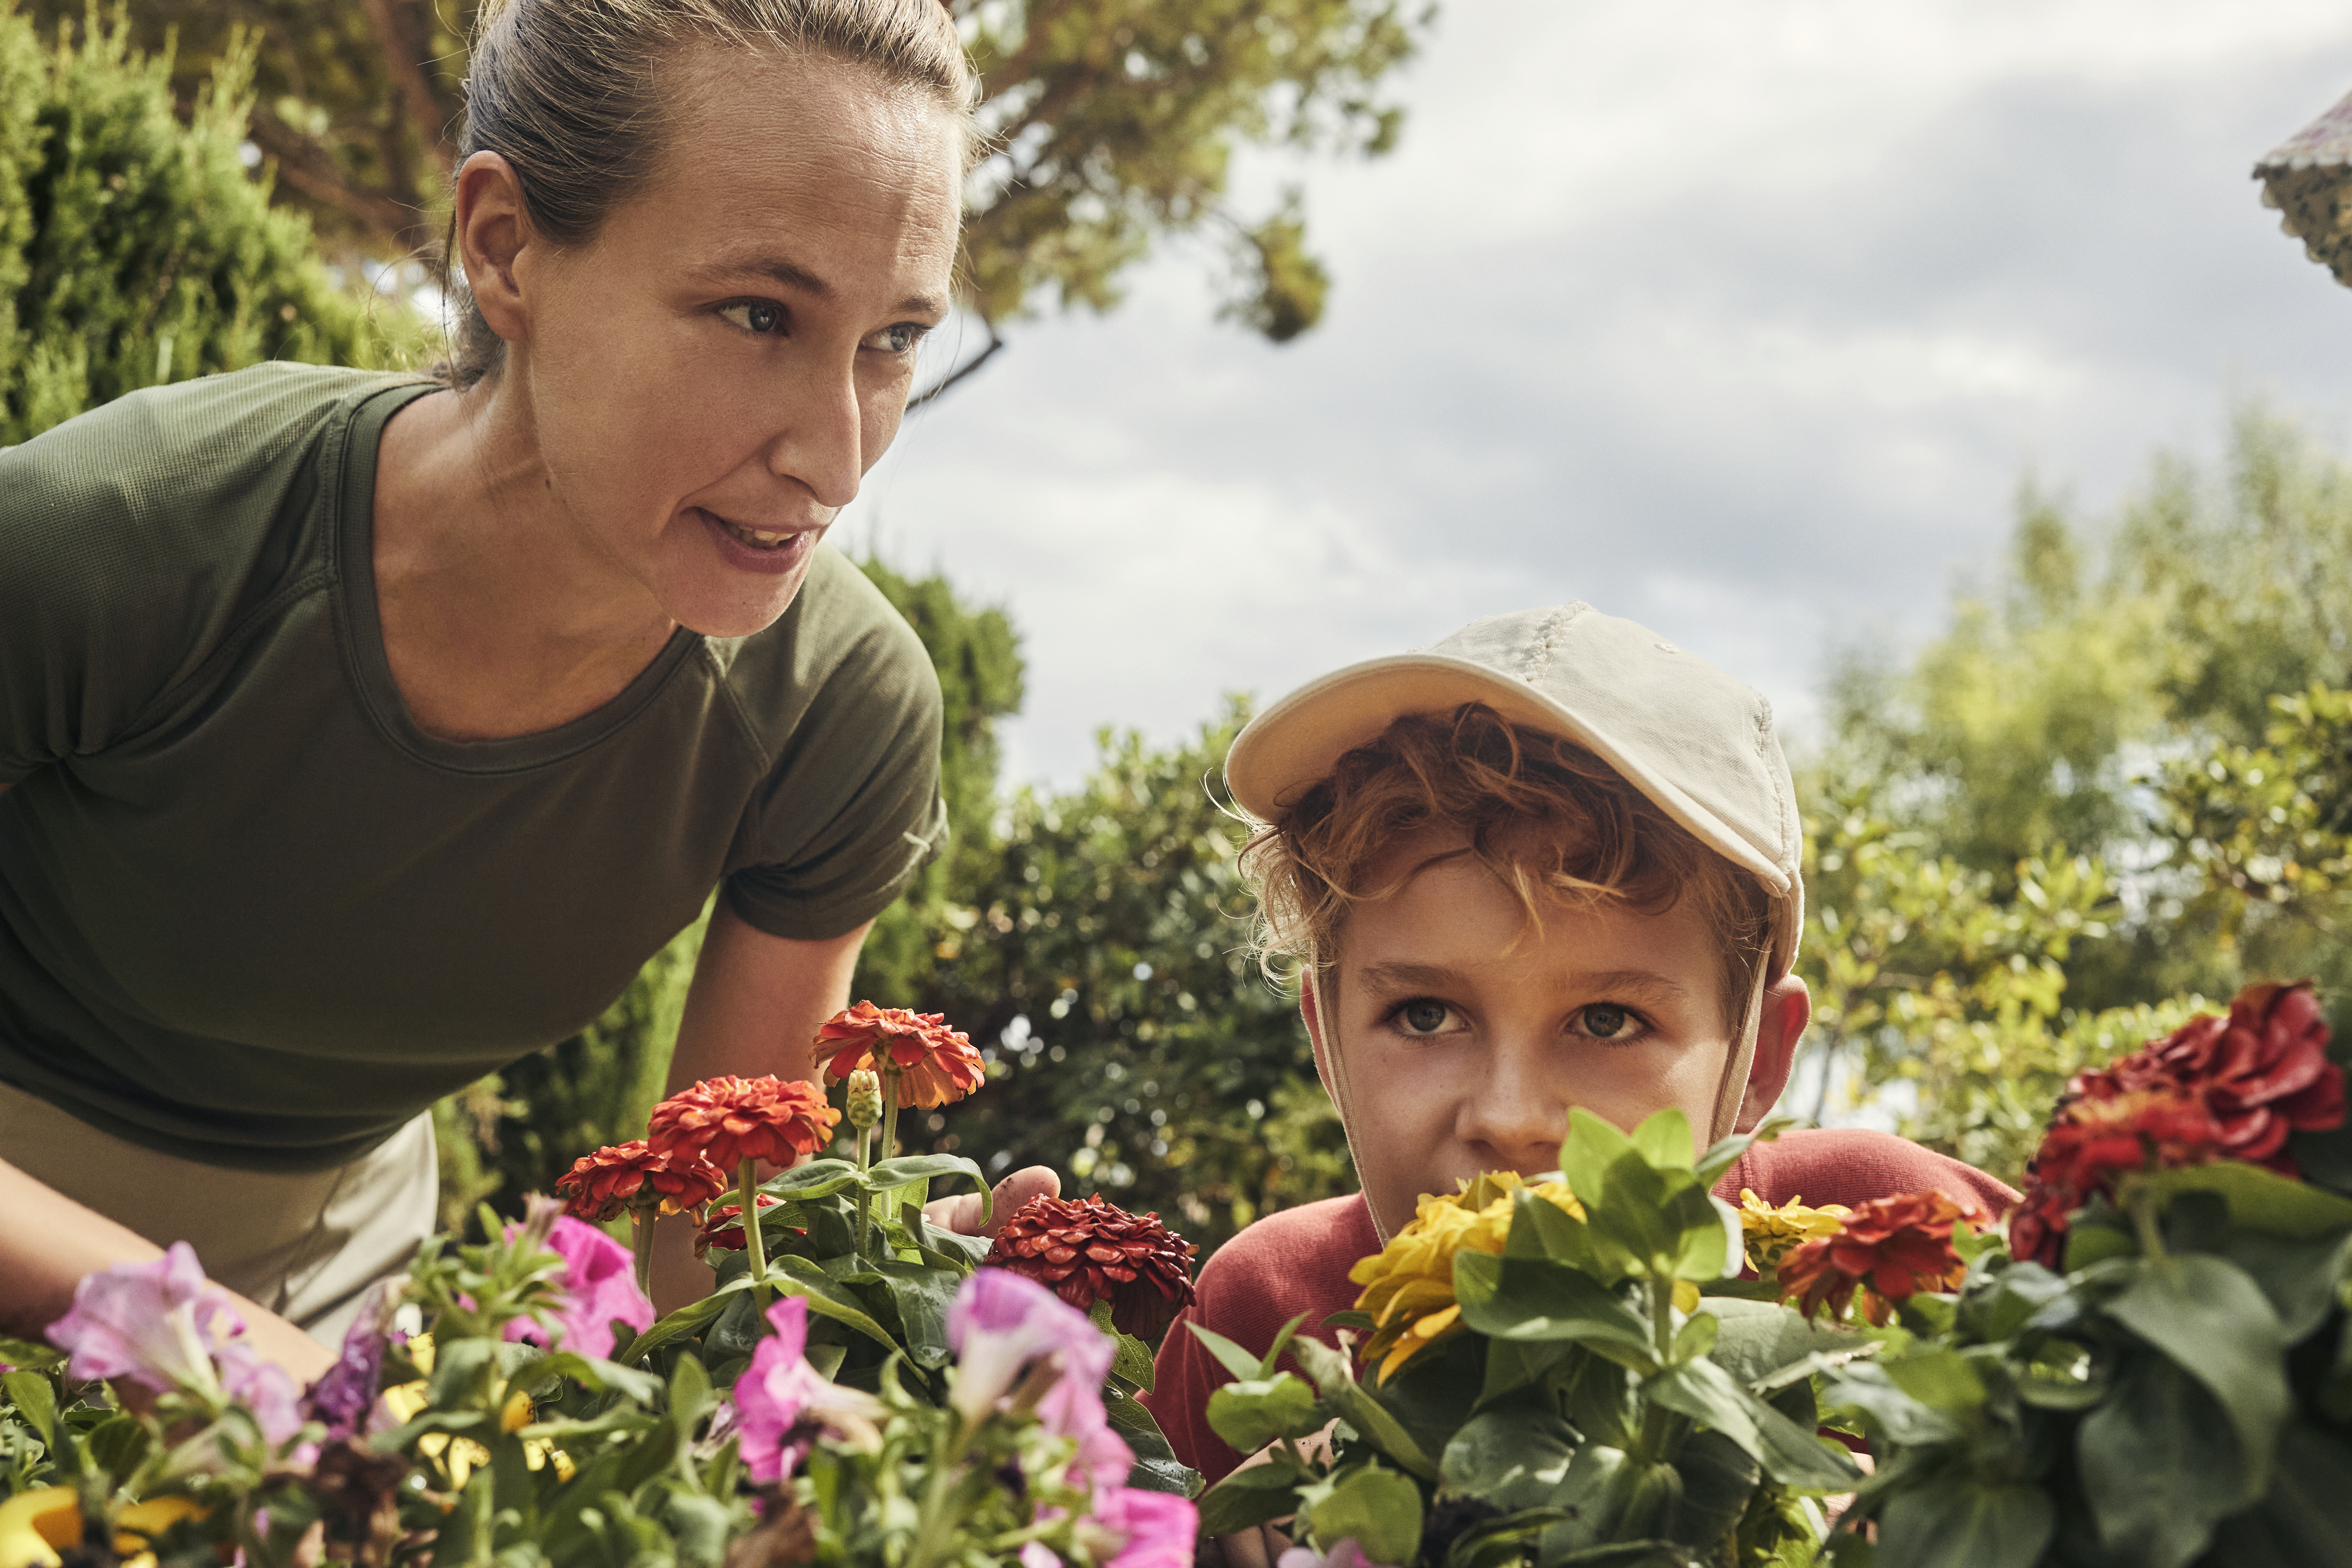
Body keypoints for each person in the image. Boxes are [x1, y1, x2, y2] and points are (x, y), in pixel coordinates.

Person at [0, 0, 1055, 1380]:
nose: (838, 457)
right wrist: (246, 1360)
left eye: (893, 340)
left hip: (329, 1288)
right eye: (759, 315)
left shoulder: (833, 717)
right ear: (506, 249)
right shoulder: (131, 536)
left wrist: (857, 1309)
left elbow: (704, 1254)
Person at [1140, 602, 2018, 1491]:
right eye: (1424, 1015)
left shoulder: (1901, 1242)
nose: (1510, 1116)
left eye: (1607, 1020)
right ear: (1328, 1044)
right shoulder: (1263, 1319)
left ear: (1755, 1062)